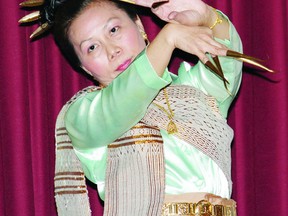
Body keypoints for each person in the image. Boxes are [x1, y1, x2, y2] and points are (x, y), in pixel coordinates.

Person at [20, 0, 267, 214]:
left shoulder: (193, 91)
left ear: (139, 25)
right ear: (83, 67)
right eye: (92, 47)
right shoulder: (84, 116)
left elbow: (226, 61)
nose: (112, 50)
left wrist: (208, 18)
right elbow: (125, 100)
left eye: (114, 30)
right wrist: (169, 37)